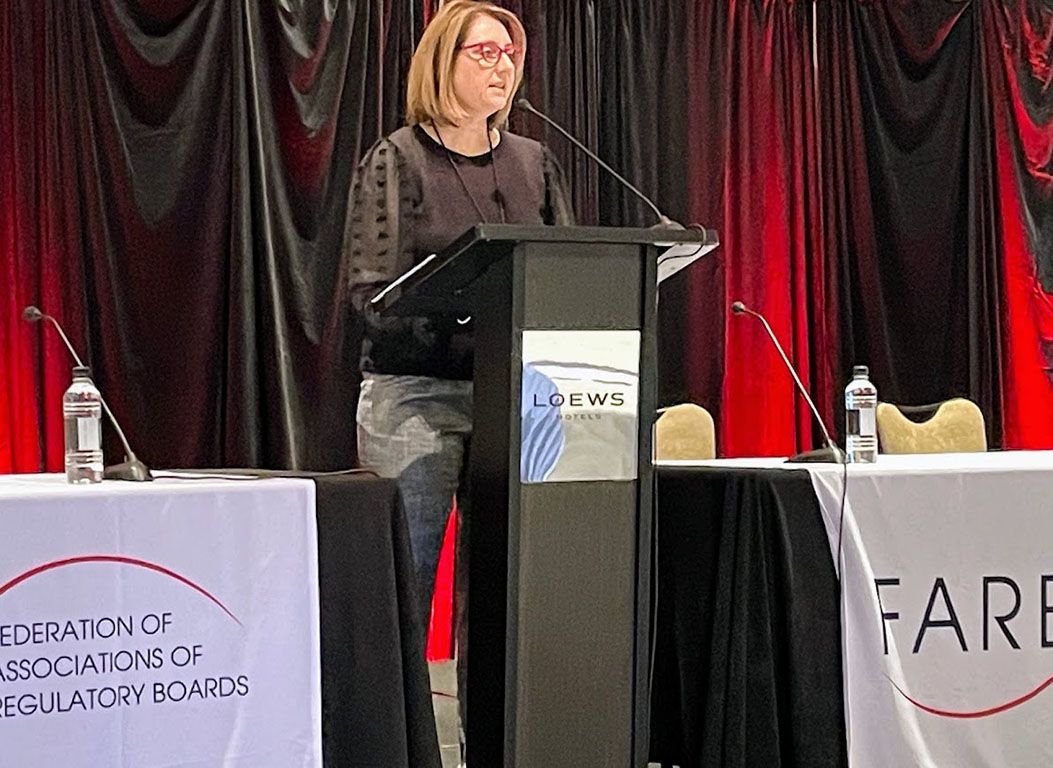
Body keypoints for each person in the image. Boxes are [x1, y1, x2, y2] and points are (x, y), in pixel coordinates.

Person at [345, 0, 573, 736]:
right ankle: (397, 745)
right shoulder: (398, 158)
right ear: (442, 62)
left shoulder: (535, 161)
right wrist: (465, 313)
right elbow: (369, 294)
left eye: (509, 53)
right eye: (484, 53)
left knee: (506, 592)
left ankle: (500, 743)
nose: (502, 66)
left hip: (515, 404)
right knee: (407, 585)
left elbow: (569, 271)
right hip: (415, 396)